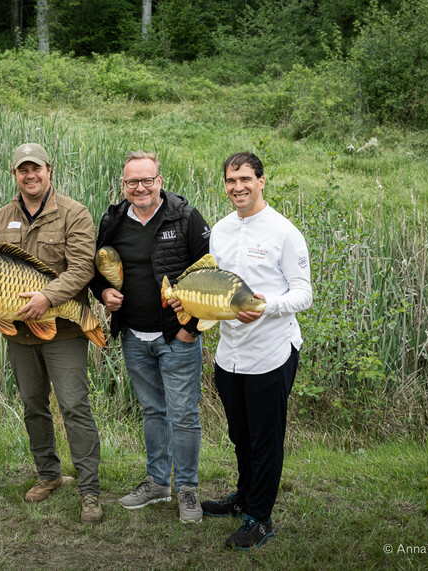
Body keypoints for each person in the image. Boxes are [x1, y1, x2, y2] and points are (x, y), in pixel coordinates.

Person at [168, 152, 312, 549]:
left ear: (262, 181)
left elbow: (304, 293)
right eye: (231, 180)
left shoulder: (285, 232)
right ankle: (244, 498)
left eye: (246, 179)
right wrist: (190, 304)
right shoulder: (222, 231)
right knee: (240, 434)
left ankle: (260, 518)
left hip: (272, 351)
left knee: (266, 439)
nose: (238, 187)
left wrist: (267, 306)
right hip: (229, 353)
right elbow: (212, 287)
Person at [89, 151, 211, 523]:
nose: (140, 188)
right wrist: (101, 293)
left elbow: (210, 273)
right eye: (132, 182)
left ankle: (187, 489)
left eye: (147, 180)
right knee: (153, 410)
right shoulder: (113, 220)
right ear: (122, 184)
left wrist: (191, 330)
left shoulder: (185, 217)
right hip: (133, 336)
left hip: (176, 336)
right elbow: (95, 267)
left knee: (184, 414)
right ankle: (158, 482)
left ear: (160, 180)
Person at [0, 142, 103, 524]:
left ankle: (89, 491)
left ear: (49, 170)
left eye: (36, 168)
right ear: (14, 174)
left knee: (73, 406)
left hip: (65, 329)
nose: (30, 175)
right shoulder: (0, 219)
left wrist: (47, 298)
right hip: (19, 334)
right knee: (33, 405)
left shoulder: (74, 213)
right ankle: (48, 474)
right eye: (23, 170)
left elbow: (83, 267)